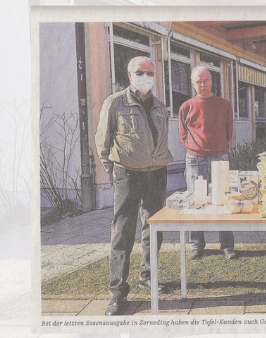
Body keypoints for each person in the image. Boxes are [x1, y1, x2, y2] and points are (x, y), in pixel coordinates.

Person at [95, 56, 174, 316]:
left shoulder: (160, 106)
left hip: (156, 174)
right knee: (123, 231)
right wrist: (115, 171)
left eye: (150, 72)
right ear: (130, 75)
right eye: (140, 72)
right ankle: (118, 292)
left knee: (154, 227)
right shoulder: (115, 102)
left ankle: (148, 276)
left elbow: (161, 140)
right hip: (128, 174)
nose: (146, 76)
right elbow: (102, 142)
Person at [178, 65, 236, 261]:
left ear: (211, 81)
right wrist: (194, 148)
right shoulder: (186, 106)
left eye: (205, 80)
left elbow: (230, 130)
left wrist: (220, 146)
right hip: (196, 158)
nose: (202, 85)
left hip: (220, 157)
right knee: (197, 202)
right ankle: (196, 245)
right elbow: (183, 133)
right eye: (198, 82)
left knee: (223, 201)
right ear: (193, 84)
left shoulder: (224, 104)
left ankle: (227, 245)